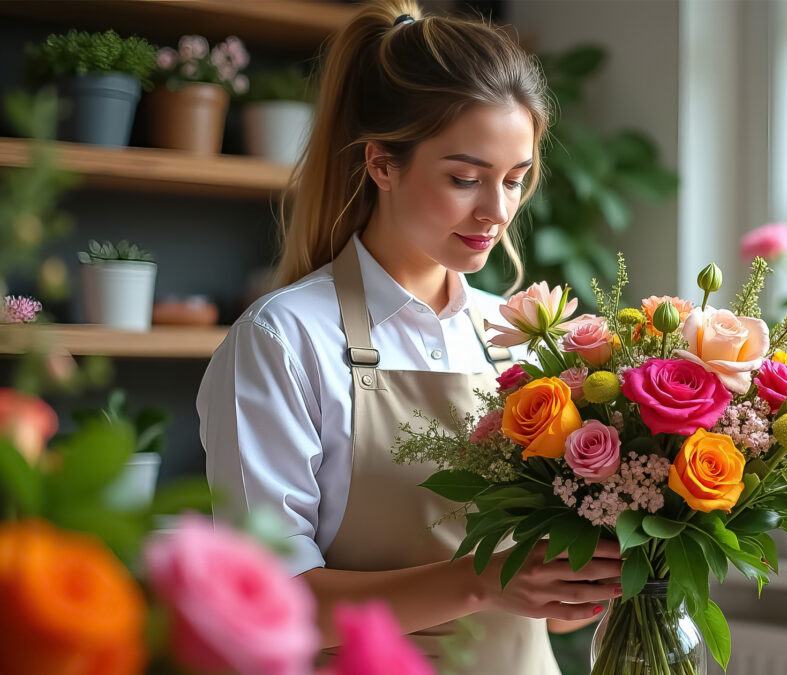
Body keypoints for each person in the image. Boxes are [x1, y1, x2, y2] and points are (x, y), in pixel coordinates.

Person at [196, 1, 622, 671]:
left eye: (514, 180)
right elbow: (270, 601)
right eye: (464, 178)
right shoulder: (285, 340)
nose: (497, 211)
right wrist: (486, 579)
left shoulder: (520, 335)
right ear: (381, 164)